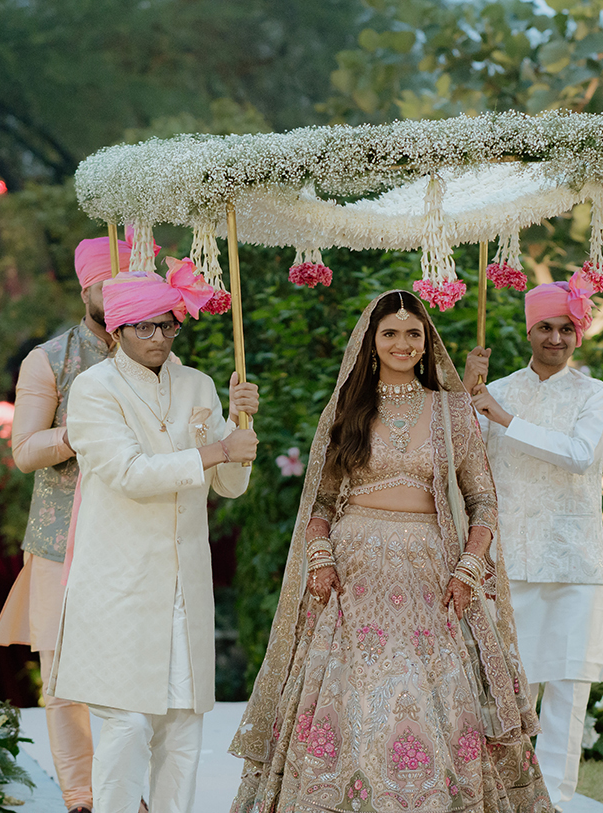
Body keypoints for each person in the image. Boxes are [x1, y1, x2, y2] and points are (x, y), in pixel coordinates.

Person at [230, 290, 551, 813]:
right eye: (390, 333)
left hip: (431, 576)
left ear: (427, 343)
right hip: (353, 576)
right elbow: (321, 503)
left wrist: (469, 568)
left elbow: (483, 500)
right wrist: (321, 558)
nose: (403, 343)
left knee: (425, 696)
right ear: (371, 342)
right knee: (351, 696)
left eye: (413, 333)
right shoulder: (349, 408)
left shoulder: (451, 409)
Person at [47, 260, 260, 813]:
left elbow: (230, 485)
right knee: (127, 728)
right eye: (146, 326)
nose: (159, 337)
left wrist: (242, 428)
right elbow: (130, 474)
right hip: (121, 587)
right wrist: (216, 449)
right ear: (118, 328)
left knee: (183, 732)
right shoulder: (94, 389)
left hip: (185, 589)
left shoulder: (198, 384)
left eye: (168, 325)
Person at [0, 233, 140, 813]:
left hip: (136, 538)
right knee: (60, 680)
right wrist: (82, 431)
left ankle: (125, 792)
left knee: (134, 672)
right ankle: (81, 797)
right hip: (60, 541)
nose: (119, 295)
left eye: (128, 282)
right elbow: (25, 451)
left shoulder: (157, 354)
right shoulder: (50, 359)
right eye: (107, 284)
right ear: (85, 291)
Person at [462, 271, 603, 808]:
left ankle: (558, 800)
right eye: (545, 327)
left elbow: (579, 455)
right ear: (528, 331)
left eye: (566, 328)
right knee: (510, 688)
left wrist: (503, 418)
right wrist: (466, 396)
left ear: (579, 334)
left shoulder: (595, 395)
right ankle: (510, 797)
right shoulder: (494, 392)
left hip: (574, 560)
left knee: (570, 689)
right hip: (510, 561)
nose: (556, 338)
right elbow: (463, 462)